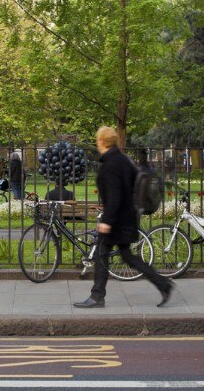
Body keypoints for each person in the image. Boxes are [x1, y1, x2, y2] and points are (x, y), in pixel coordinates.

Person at [73, 126, 172, 310]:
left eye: (97, 140)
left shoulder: (111, 164)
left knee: (103, 255)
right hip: (126, 217)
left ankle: (97, 296)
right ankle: (163, 284)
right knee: (126, 256)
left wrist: (106, 222)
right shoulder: (123, 160)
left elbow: (115, 196)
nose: (97, 143)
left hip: (117, 220)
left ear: (102, 141)